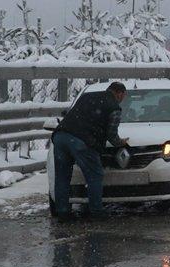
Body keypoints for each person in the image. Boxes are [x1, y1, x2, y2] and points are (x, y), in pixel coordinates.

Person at [51, 81, 128, 219]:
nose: (122, 100)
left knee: (62, 176)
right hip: (81, 142)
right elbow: (112, 135)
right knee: (95, 175)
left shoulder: (87, 97)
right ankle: (96, 212)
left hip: (60, 136)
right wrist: (120, 142)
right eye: (123, 96)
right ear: (119, 93)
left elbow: (74, 114)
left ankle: (62, 212)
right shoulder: (114, 107)